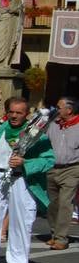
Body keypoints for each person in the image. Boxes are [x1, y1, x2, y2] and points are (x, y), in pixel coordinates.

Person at [0, 97, 54, 263]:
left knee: (21, 221)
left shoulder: (37, 134)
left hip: (22, 180)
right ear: (6, 112)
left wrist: (26, 162)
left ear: (27, 114)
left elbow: (49, 160)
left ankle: (17, 262)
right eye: (11, 112)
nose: (14, 115)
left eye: (19, 112)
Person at [44, 96, 79, 250]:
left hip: (72, 169)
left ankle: (61, 238)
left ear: (69, 110)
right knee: (53, 204)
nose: (55, 110)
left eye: (59, 107)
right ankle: (54, 233)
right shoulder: (52, 124)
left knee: (65, 203)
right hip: (51, 168)